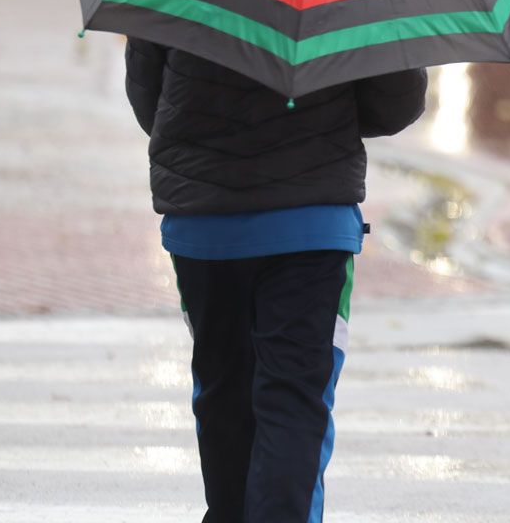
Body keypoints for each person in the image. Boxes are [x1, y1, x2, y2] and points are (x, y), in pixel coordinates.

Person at [125, 40, 427, 523]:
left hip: (205, 220)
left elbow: (149, 100)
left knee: (223, 396)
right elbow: (395, 104)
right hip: (309, 222)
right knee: (295, 403)